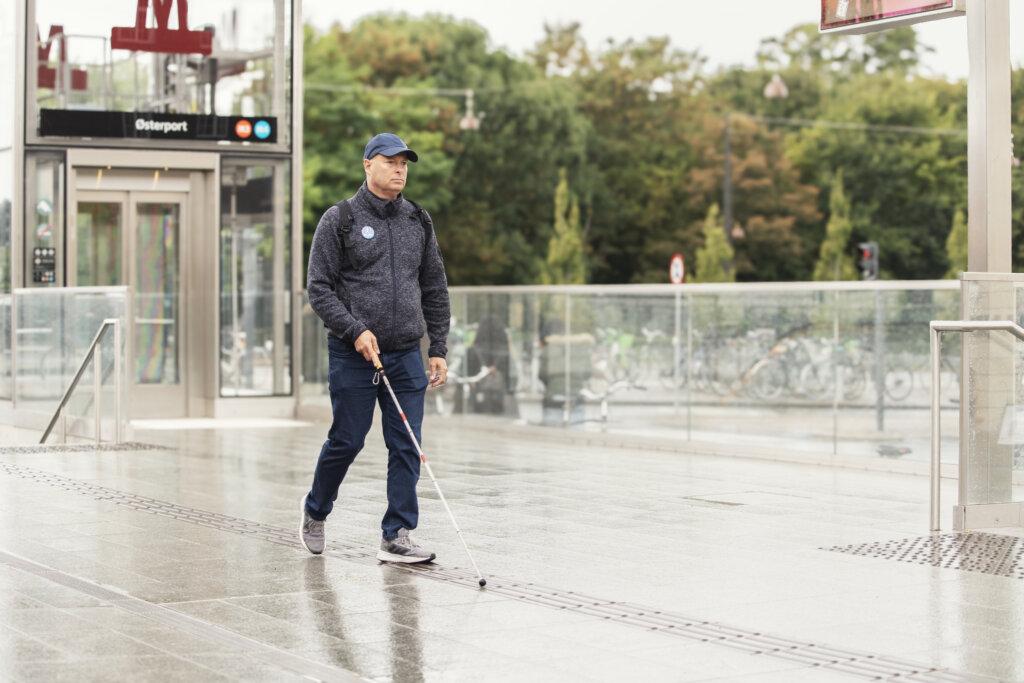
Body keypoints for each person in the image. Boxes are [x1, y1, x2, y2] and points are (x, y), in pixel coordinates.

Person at [300, 133, 450, 564]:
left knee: (407, 442)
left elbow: (434, 287)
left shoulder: (418, 221)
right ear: (368, 165)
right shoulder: (340, 219)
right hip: (354, 353)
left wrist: (436, 345)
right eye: (391, 161)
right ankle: (315, 510)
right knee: (347, 440)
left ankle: (397, 533)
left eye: (405, 163)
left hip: (404, 353)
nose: (400, 169)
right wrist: (354, 330)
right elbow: (320, 289)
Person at [538, 317, 594, 426]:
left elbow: (542, 375)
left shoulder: (548, 349)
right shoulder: (582, 349)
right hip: (576, 397)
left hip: (553, 397)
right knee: (577, 436)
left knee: (551, 437)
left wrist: (553, 384)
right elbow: (587, 374)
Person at [464, 314, 517, 415]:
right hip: (501, 405)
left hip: (477, 403)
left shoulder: (472, 351)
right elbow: (513, 379)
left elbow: (464, 376)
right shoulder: (506, 352)